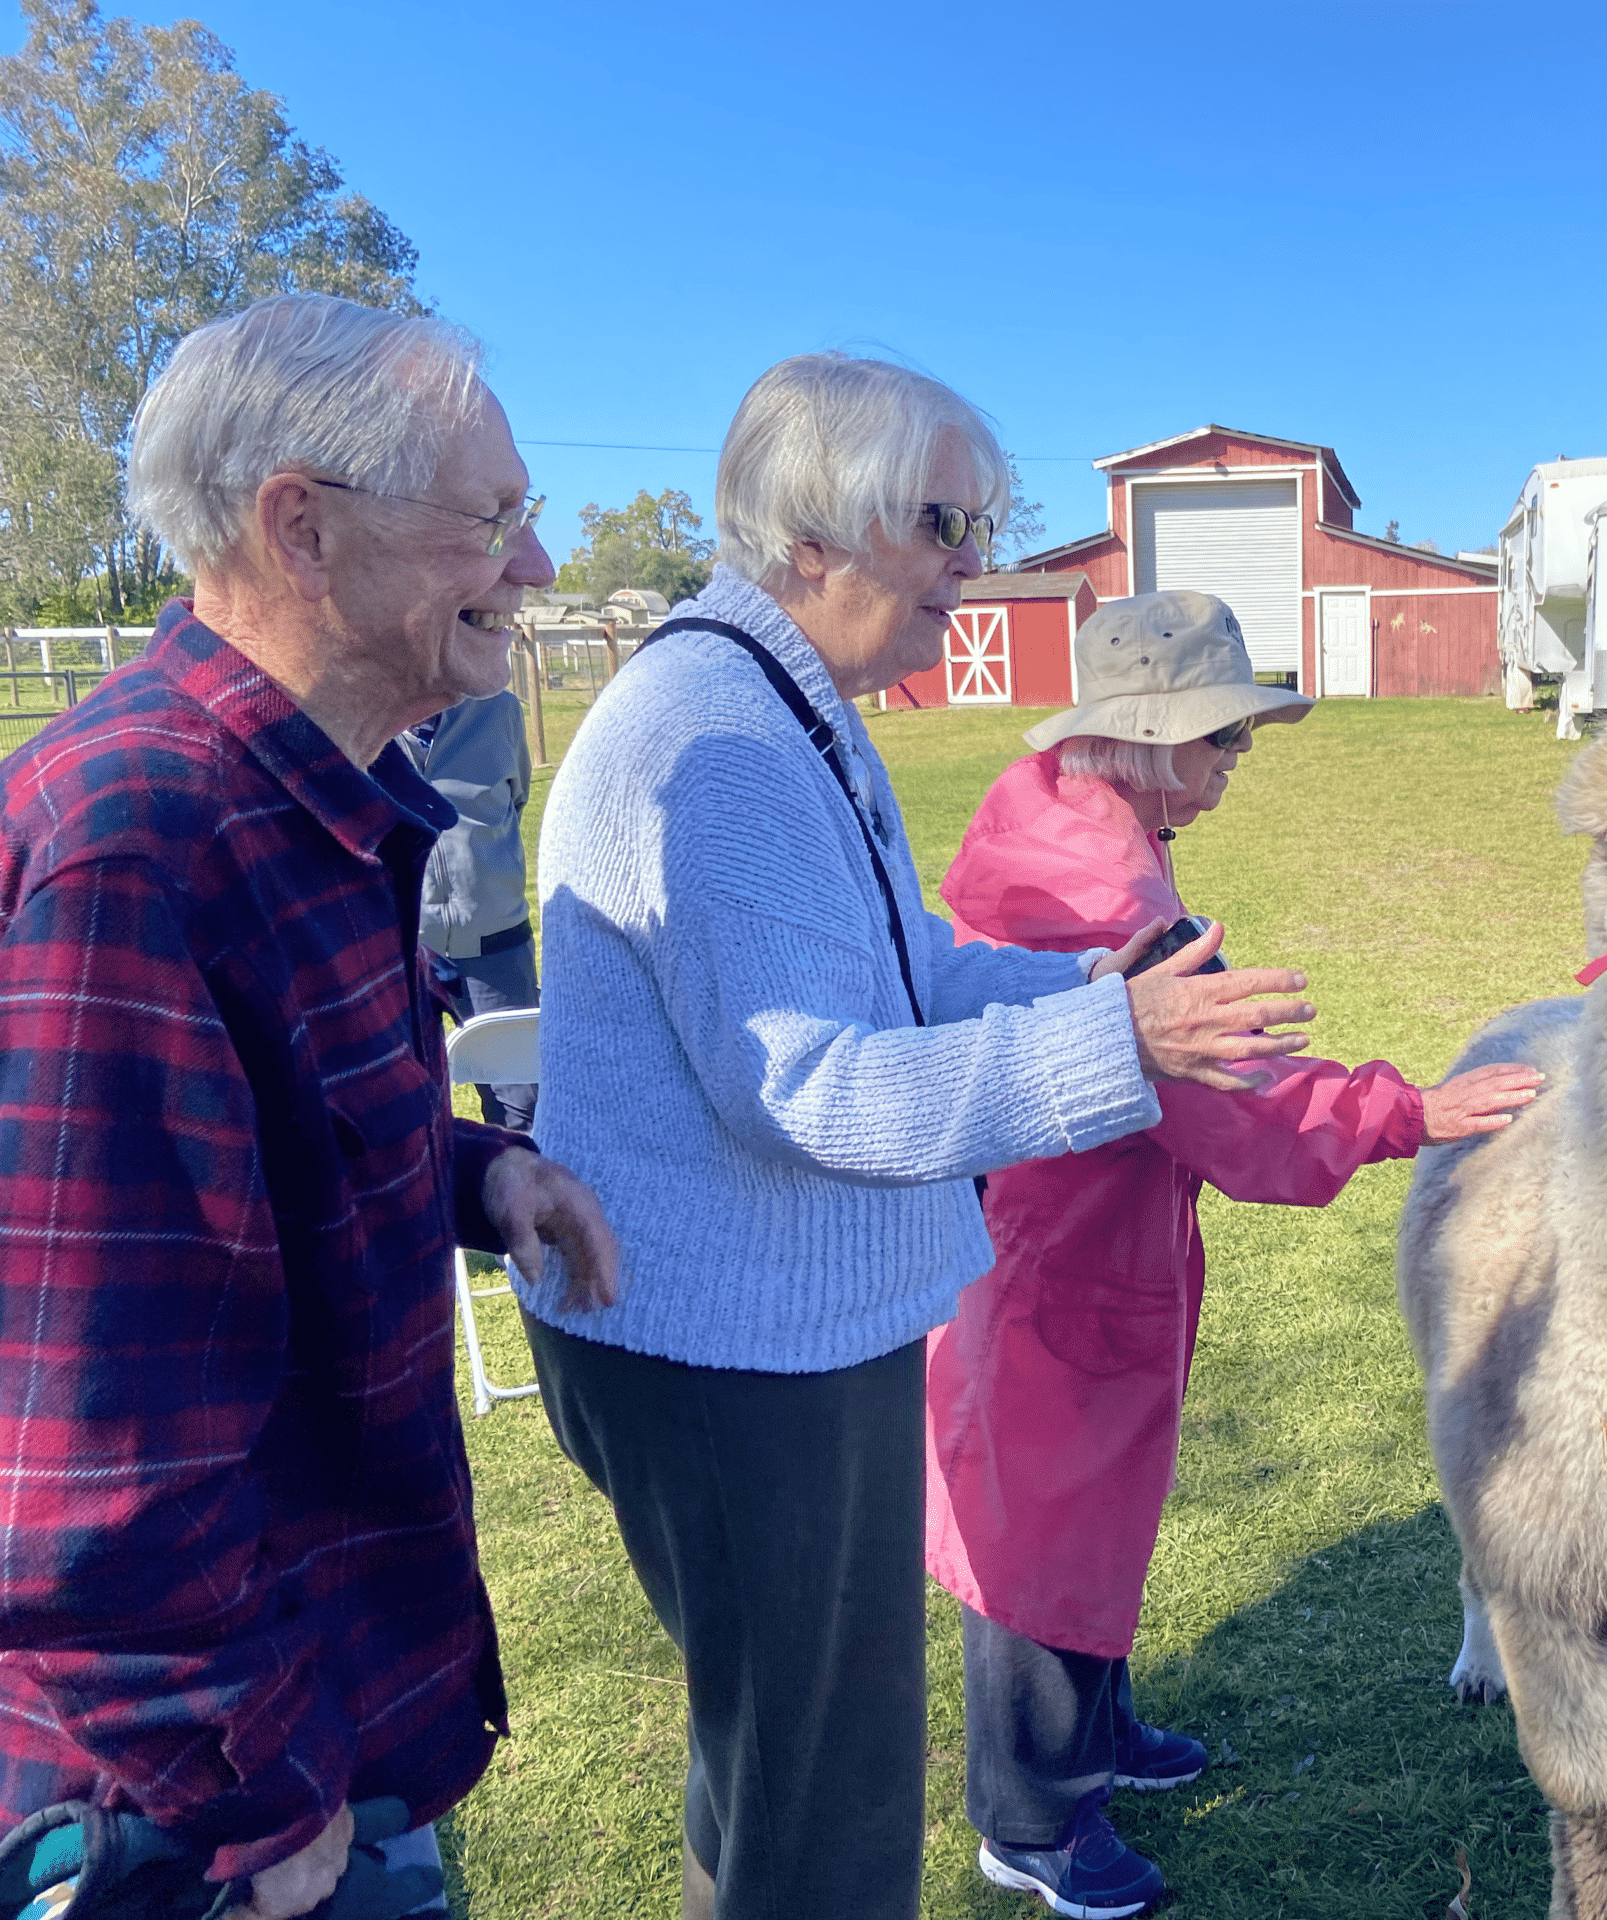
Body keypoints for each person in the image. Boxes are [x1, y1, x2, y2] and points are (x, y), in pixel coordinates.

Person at [520, 355, 1317, 1920]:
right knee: (824, 1814)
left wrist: (1083, 981)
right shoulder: (731, 739)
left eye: (984, 521)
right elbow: (811, 1088)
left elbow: (904, 968)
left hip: (772, 1340)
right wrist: (1121, 1041)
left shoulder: (784, 701)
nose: (976, 563)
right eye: (947, 521)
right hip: (735, 1362)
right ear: (811, 534)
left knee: (777, 1773)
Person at [0, 294, 620, 1918]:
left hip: (305, 1718)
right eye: (494, 517)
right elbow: (71, 1471)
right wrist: (248, 1810)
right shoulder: (142, 853)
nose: (531, 567)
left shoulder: (291, 807)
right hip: (186, 1812)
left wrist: (481, 1181)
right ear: (302, 528)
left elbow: (253, 1155)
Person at [924, 588, 1543, 1918]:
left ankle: (1094, 1740)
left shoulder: (1076, 826)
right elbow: (1233, 1105)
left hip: (1075, 1233)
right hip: (1061, 1249)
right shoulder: (1102, 890)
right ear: (1150, 738)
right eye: (1224, 738)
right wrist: (1412, 1112)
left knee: (1081, 1503)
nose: (1236, 763)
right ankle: (1029, 1819)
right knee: (1034, 1526)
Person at [404, 686, 540, 1130]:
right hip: (404, 948)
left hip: (496, 941)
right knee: (405, 1101)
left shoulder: (498, 709)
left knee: (522, 1100)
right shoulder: (368, 718)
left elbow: (515, 799)